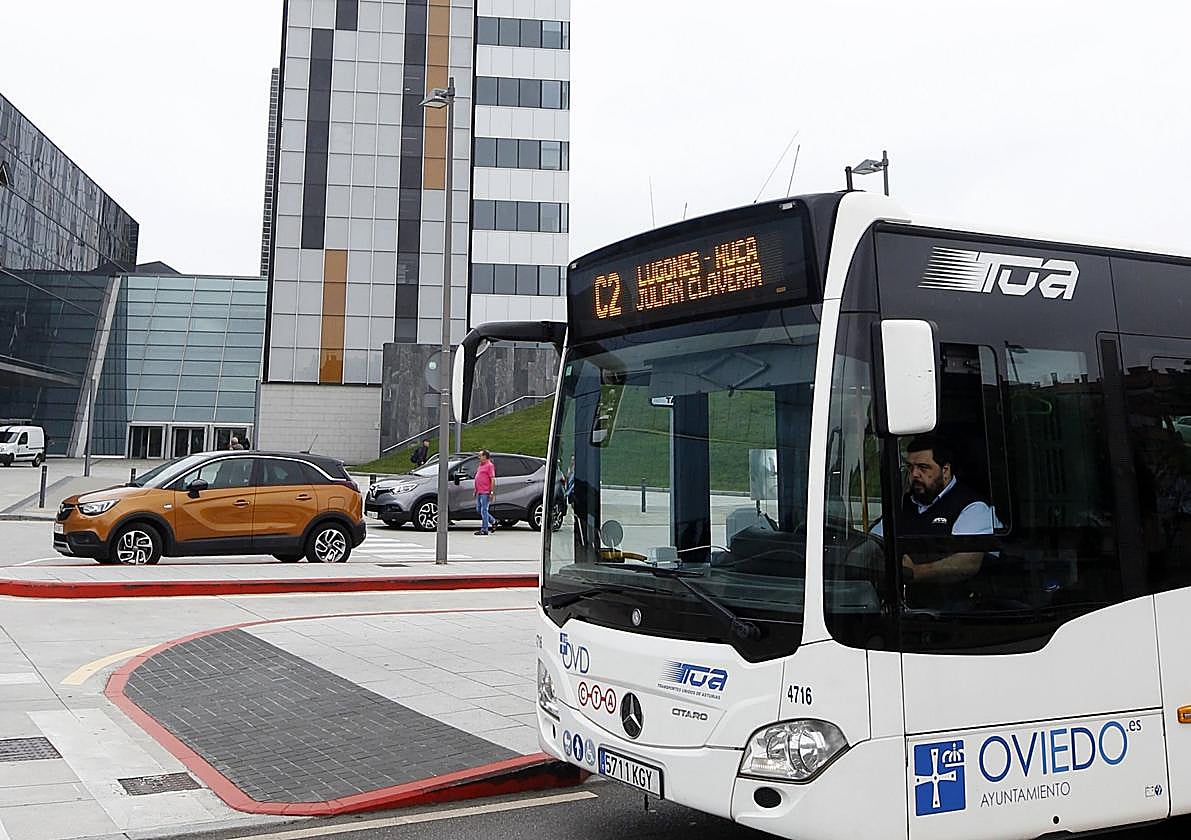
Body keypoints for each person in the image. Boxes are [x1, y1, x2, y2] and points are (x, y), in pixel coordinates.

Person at [894, 434, 999, 586]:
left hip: (960, 602)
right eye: (910, 467)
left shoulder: (973, 507)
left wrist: (915, 572)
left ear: (945, 470)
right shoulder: (905, 504)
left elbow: (967, 563)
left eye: (923, 467)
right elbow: (875, 540)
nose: (914, 474)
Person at [473, 450, 496, 535]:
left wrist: (491, 492)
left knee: (484, 510)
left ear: (485, 456)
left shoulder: (489, 466)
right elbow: (478, 478)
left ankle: (484, 529)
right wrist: (475, 490)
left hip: (485, 492)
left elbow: (492, 479)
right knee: (479, 509)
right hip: (479, 491)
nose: (479, 457)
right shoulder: (480, 465)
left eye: (480, 455)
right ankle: (493, 521)